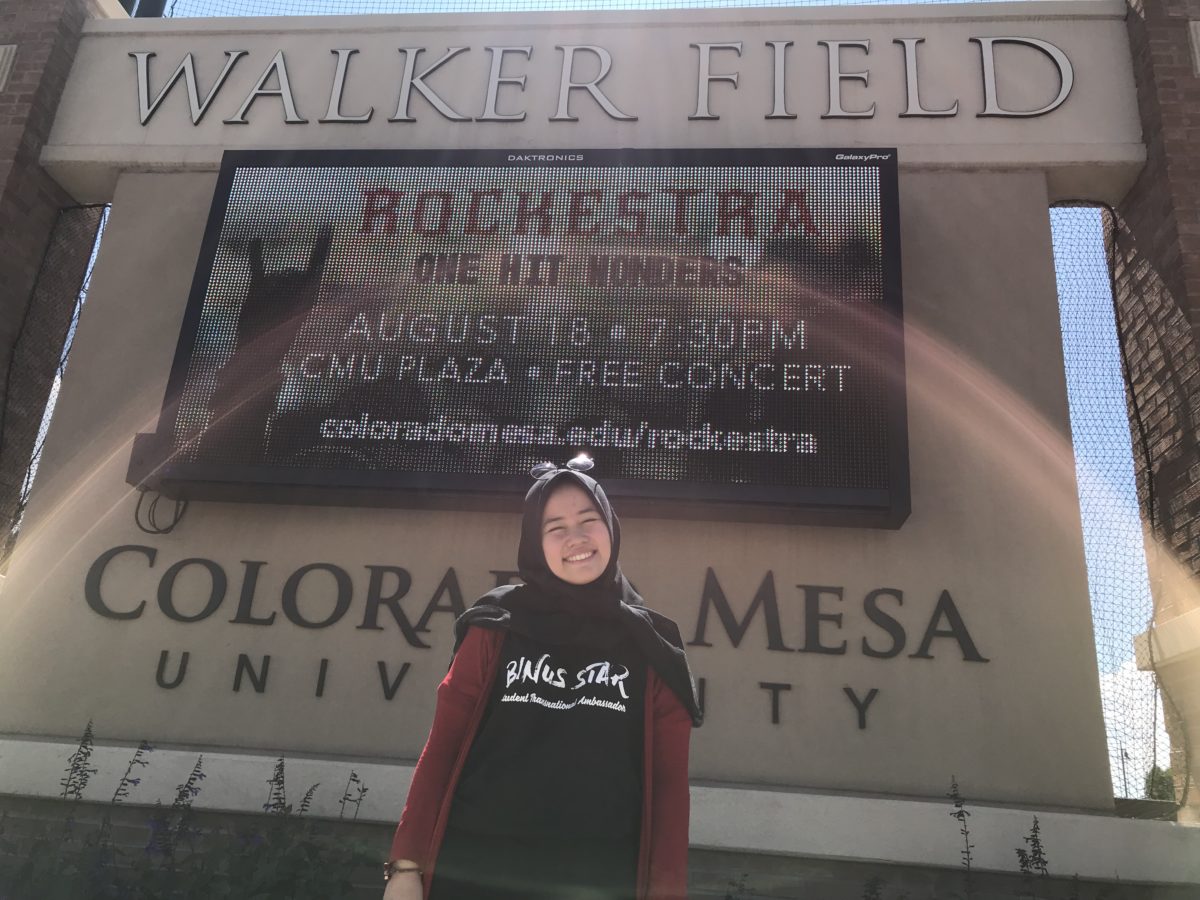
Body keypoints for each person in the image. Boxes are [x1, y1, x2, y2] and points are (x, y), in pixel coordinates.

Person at [383, 456, 702, 900]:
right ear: (535, 543)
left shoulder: (652, 645)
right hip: (473, 868)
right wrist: (406, 866)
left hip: (599, 875)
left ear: (611, 527)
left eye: (588, 520)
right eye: (555, 528)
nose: (576, 538)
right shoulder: (495, 626)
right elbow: (442, 748)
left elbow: (668, 791)